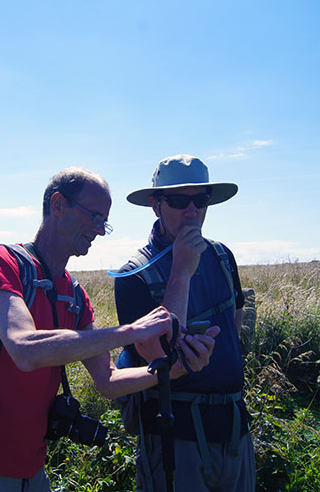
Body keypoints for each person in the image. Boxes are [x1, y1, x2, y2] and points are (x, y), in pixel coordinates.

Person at [0, 167, 217, 492]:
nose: (99, 230)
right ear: (57, 204)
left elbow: (108, 381)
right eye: (94, 216)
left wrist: (172, 372)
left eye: (103, 221)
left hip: (33, 472)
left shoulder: (74, 295)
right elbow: (24, 348)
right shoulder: (2, 264)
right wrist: (131, 331)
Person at [114, 154, 255, 492]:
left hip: (234, 429)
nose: (192, 211)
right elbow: (158, 358)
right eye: (179, 201)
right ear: (156, 205)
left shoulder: (221, 256)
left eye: (201, 200)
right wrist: (181, 269)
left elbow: (233, 328)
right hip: (176, 438)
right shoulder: (134, 274)